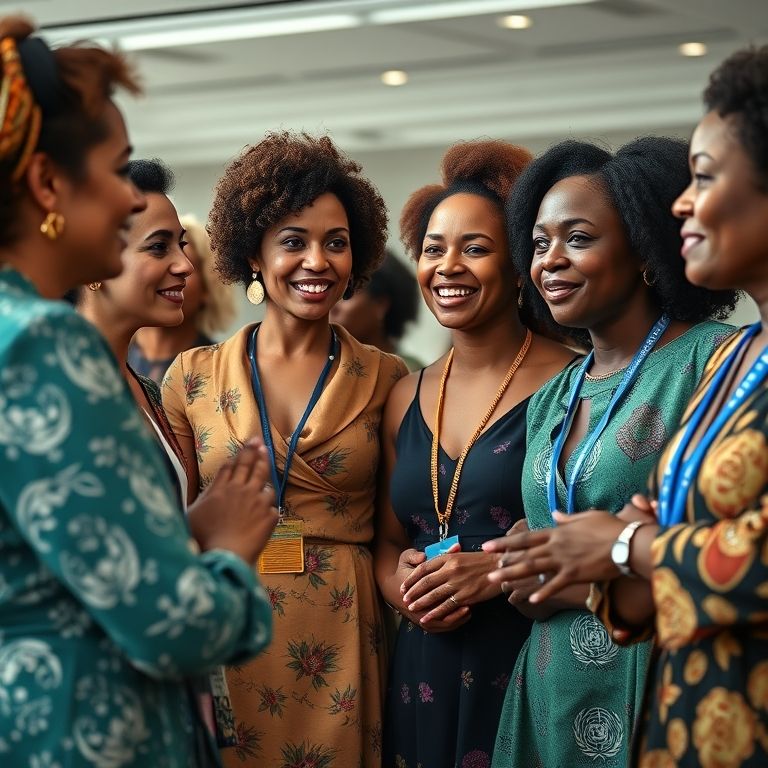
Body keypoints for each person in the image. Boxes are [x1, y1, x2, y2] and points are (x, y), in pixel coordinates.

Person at [0, 17, 278, 766]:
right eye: (119, 170)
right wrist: (225, 549)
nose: (132, 199)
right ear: (48, 184)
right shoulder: (41, 343)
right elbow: (174, 628)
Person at [485, 46, 768, 768]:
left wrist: (619, 547)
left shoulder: (708, 354)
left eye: (703, 179)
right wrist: (542, 568)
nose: (682, 206)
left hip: (688, 688)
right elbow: (678, 531)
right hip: (606, 684)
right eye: (540, 242)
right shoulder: (744, 357)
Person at [161, 131, 409, 767]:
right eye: (294, 242)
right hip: (232, 621)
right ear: (254, 254)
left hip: (344, 629)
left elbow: (393, 533)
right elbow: (173, 527)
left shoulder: (387, 379)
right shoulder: (191, 377)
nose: (317, 262)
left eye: (336, 242)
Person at [373, 139, 575, 767]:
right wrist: (401, 586)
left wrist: (491, 573)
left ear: (521, 266)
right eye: (434, 249)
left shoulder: (571, 383)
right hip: (421, 667)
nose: (448, 266)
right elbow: (384, 540)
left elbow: (592, 530)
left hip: (525, 653)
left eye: (476, 249)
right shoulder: (405, 393)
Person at [129, 212, 236, 384]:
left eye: (187, 262)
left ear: (208, 288)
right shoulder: (105, 356)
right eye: (158, 255)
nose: (175, 270)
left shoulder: (225, 370)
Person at [330, 249, 424, 370]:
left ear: (380, 305)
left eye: (347, 294)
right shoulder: (320, 363)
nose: (332, 306)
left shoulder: (411, 376)